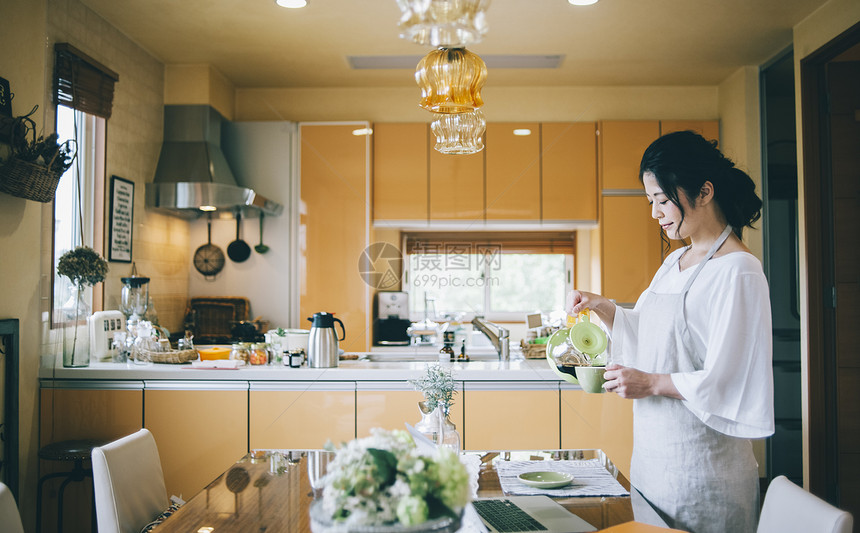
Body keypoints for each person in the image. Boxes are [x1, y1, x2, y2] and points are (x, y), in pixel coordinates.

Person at [566, 130, 774, 533]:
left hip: (704, 474)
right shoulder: (676, 259)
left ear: (705, 191)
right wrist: (604, 308)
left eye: (663, 200)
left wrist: (651, 383)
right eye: (651, 202)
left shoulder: (739, 271)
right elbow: (649, 334)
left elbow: (730, 379)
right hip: (653, 463)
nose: (655, 213)